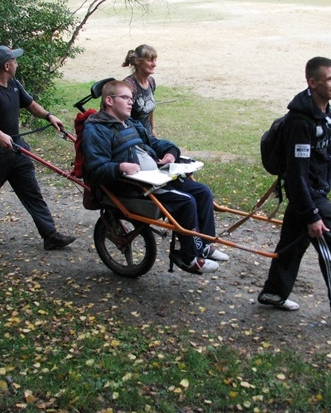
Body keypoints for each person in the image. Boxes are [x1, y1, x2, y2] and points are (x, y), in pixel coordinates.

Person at [257, 57, 331, 329]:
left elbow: (330, 153)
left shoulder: (325, 112)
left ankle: (273, 292)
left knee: (290, 246)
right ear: (313, 83)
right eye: (330, 79)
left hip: (316, 193)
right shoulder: (301, 122)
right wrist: (312, 215)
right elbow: (296, 175)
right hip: (309, 197)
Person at [81, 80, 228, 274]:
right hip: (132, 187)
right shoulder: (96, 129)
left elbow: (155, 142)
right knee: (186, 202)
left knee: (202, 192)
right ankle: (188, 257)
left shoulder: (131, 123)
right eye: (125, 98)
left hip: (157, 179)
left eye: (131, 98)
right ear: (109, 100)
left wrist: (170, 152)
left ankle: (205, 245)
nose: (131, 102)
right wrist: (119, 167)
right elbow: (94, 168)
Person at [0, 45, 76, 251]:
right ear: (6, 65)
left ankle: (49, 235)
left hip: (16, 149)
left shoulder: (14, 84)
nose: (17, 63)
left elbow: (31, 104)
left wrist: (49, 116)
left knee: (32, 192)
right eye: (14, 61)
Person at [122, 45, 157, 135]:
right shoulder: (129, 86)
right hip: (133, 137)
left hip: (147, 136)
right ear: (137, 61)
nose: (154, 64)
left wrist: (152, 129)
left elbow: (150, 109)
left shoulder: (151, 81)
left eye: (155, 60)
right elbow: (120, 117)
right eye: (149, 60)